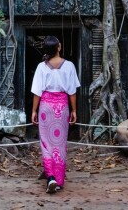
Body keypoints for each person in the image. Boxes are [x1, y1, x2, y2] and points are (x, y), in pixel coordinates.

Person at [30, 36, 79, 194]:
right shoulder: (69, 66)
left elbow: (37, 92)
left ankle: (50, 177)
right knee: (60, 143)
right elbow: (72, 91)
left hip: (46, 108)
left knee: (46, 143)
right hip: (62, 107)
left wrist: (34, 111)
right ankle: (58, 180)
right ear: (59, 47)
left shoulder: (41, 67)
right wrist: (74, 110)